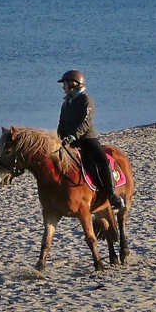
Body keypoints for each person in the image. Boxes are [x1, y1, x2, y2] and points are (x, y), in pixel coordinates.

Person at [56, 70, 124, 210]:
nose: (63, 87)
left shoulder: (86, 100)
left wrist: (73, 135)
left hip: (87, 139)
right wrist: (58, 137)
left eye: (65, 84)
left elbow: (84, 122)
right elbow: (61, 122)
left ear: (73, 84)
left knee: (103, 161)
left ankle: (112, 195)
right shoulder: (66, 103)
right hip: (69, 141)